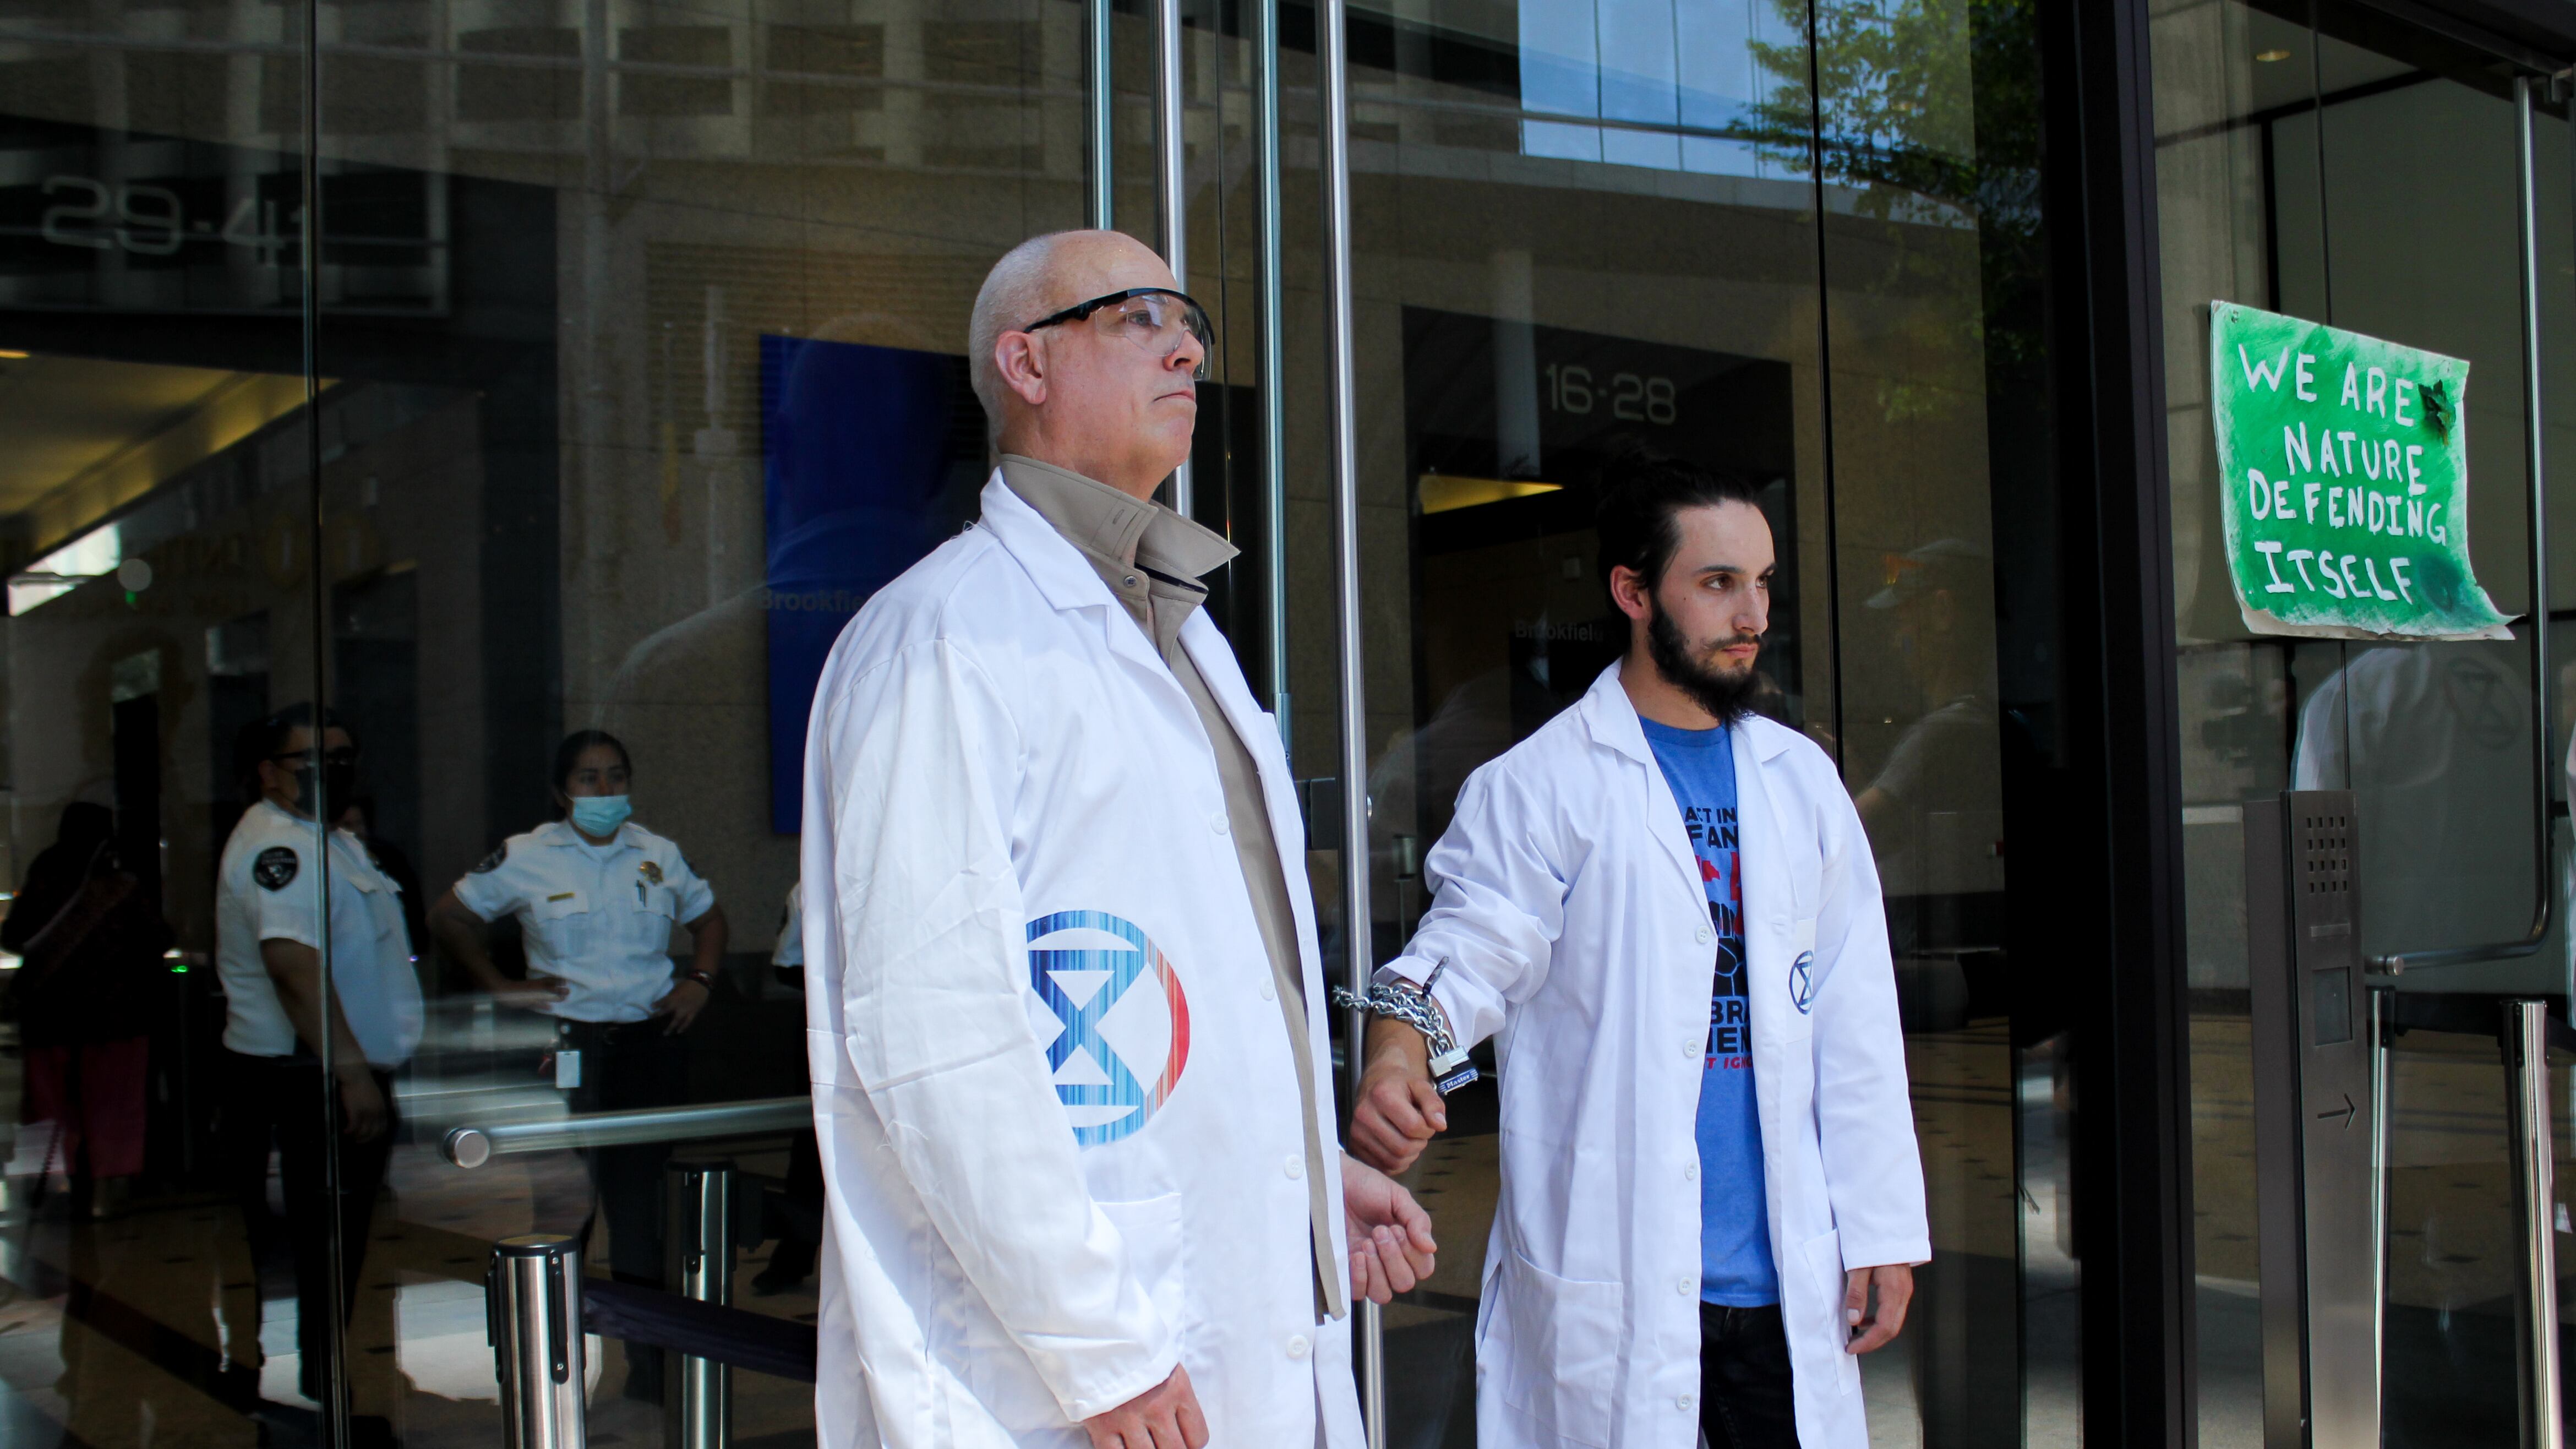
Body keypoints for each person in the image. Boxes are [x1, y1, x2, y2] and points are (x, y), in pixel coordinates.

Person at [800, 229, 1435, 1449]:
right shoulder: (943, 637)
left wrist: (1302, 1176)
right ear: (1025, 364)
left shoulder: (1186, 635)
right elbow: (935, 1032)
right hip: (1071, 1372)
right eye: (1138, 315)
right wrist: (1097, 1348)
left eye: (1189, 320)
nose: (1189, 346)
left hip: (1217, 1323)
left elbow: (1212, 984)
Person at [1347, 451, 1928, 1449]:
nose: (1752, 614)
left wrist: (1879, 1231)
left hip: (1787, 1283)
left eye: (1762, 583)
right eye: (1717, 584)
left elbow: (1857, 1021)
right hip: (1612, 1284)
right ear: (1631, 591)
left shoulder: (1804, 782)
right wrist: (1400, 1047)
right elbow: (1470, 944)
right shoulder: (1541, 785)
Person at [427, 728, 728, 1403]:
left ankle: (649, 1372)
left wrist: (700, 981)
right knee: (561, 1212)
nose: (604, 790)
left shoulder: (657, 853)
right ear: (562, 791)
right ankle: (544, 1365)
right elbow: (449, 918)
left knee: (639, 1214)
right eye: (589, 779)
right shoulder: (528, 855)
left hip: (647, 1046)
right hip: (566, 1050)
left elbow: (710, 920)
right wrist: (500, 987)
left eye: (616, 776)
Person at [214, 705, 423, 1439]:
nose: (330, 771)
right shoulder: (285, 849)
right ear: (270, 772)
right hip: (306, 1081)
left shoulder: (326, 841)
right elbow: (294, 968)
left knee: (331, 1257)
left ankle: (317, 1399)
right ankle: (305, 1411)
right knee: (311, 1256)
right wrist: (352, 1072)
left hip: (325, 1073)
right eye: (311, 759)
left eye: (341, 757)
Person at [1, 800, 170, 1216]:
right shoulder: (120, 886)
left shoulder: (43, 878)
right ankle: (106, 1190)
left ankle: (56, 1186)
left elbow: (13, 936)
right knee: (114, 1105)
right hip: (116, 1019)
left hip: (50, 1019)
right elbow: (158, 938)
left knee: (51, 1107)